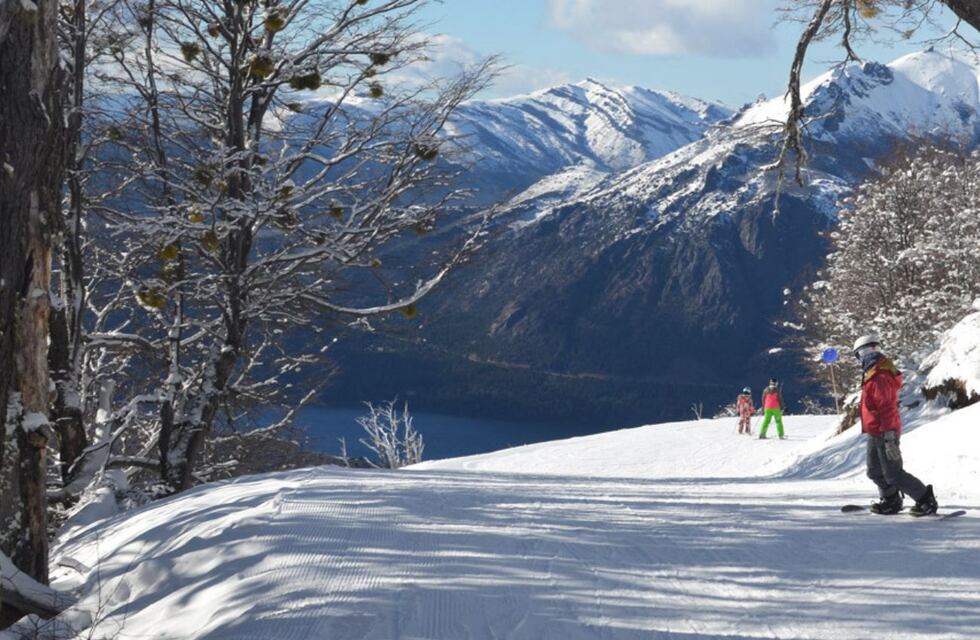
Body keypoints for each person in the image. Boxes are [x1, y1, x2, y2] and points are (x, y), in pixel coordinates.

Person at [853, 334, 938, 516]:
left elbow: (888, 408)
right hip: (875, 431)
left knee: (893, 474)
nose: (859, 360)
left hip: (885, 431)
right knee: (875, 472)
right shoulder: (872, 373)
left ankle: (925, 499)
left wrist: (890, 436)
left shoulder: (879, 376)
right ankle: (891, 500)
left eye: (858, 355)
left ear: (865, 352)